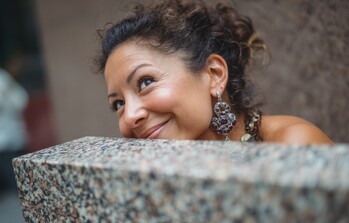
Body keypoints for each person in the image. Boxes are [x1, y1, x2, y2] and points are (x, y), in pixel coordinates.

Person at [94, 0, 332, 145]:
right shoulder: (158, 169)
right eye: (118, 104)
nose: (129, 117)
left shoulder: (293, 145)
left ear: (214, 74)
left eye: (145, 82)